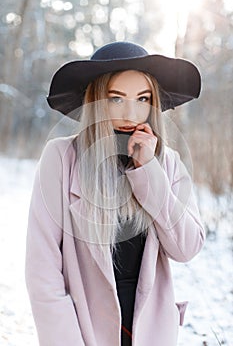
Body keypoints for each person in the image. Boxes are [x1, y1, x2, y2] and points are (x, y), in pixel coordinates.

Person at [25, 41, 205, 346]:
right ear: (97, 100)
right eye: (116, 99)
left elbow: (186, 248)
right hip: (84, 332)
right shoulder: (62, 157)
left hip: (150, 333)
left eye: (143, 98)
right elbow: (43, 273)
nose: (132, 112)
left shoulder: (168, 162)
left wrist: (148, 169)